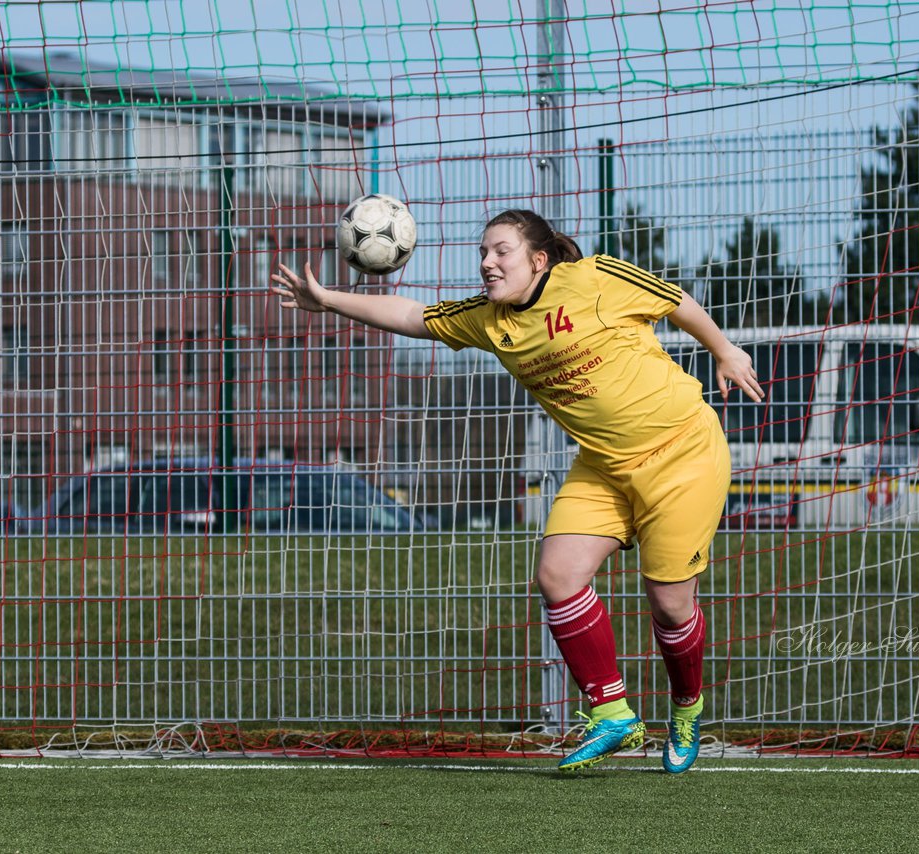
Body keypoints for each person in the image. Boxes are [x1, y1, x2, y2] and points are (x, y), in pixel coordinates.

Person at [271, 209, 763, 773]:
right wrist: (329, 299)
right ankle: (613, 715)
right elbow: (410, 314)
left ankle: (686, 707)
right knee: (557, 575)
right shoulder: (489, 319)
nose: (486, 262)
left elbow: (673, 299)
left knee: (670, 605)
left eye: (500, 251)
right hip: (604, 466)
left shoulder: (593, 278)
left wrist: (724, 350)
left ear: (538, 259)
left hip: (683, 455)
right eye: (483, 253)